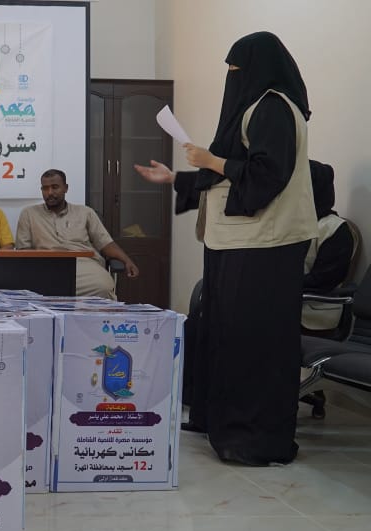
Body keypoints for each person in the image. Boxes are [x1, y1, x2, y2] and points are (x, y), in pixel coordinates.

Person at [134, 31, 317, 466]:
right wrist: (176, 178)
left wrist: (211, 160)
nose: (232, 76)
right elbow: (228, 172)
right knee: (223, 332)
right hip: (237, 243)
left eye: (237, 69)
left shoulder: (273, 108)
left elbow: (267, 175)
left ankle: (253, 437)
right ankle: (220, 421)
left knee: (252, 341)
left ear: (259, 69)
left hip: (265, 246)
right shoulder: (252, 108)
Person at [15, 169, 139, 299]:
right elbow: (23, 251)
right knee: (33, 288)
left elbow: (105, 243)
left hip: (83, 265)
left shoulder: (85, 213)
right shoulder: (29, 214)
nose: (50, 192)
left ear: (66, 188)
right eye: (45, 188)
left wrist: (127, 260)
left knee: (103, 287)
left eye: (55, 187)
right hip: (45, 267)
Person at [300, 160, 355, 419]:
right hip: (287, 301)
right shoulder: (295, 222)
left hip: (315, 308)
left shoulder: (336, 230)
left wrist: (279, 285)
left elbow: (324, 279)